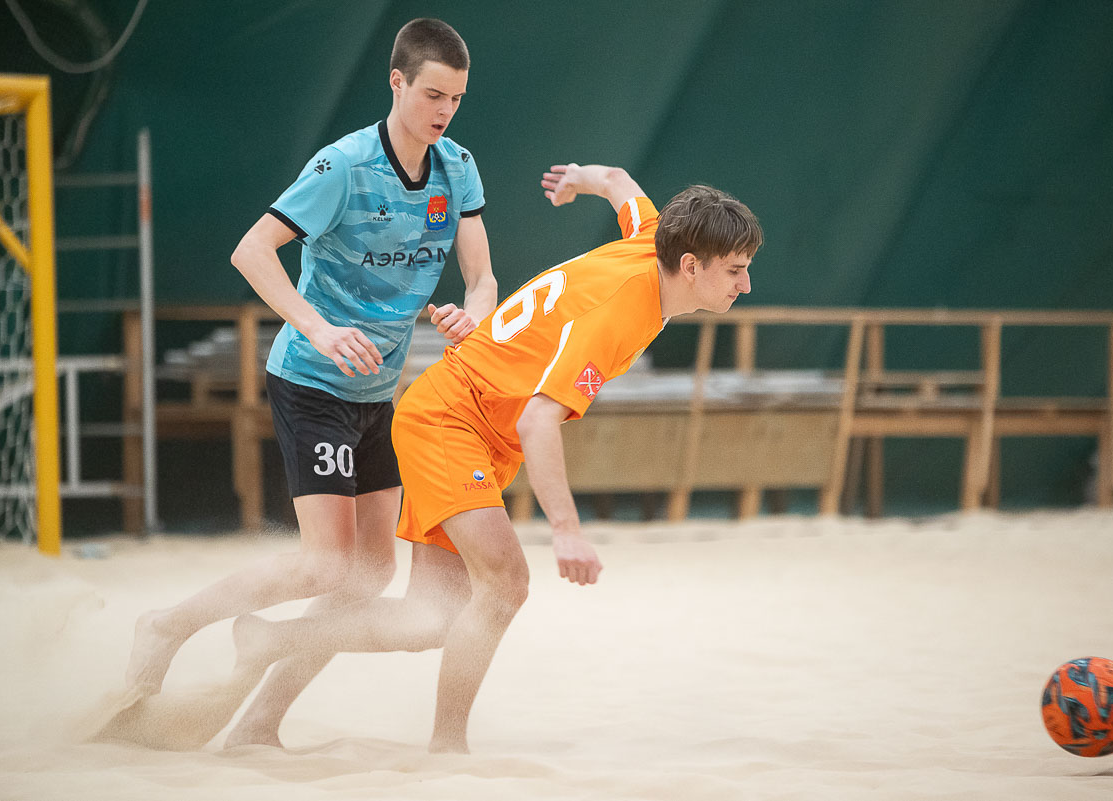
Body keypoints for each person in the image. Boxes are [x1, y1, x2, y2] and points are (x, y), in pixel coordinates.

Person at [228, 161, 763, 753]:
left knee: (429, 619)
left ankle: (261, 710)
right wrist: (567, 531)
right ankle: (441, 742)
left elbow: (616, 180)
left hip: (466, 422)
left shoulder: (651, 235)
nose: (745, 285)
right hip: (452, 421)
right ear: (691, 266)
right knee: (505, 583)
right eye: (735, 270)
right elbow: (538, 420)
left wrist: (576, 178)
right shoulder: (619, 311)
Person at [124, 18, 498, 749]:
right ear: (396, 82)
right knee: (326, 564)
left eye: (456, 97)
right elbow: (251, 251)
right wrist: (319, 328)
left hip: (378, 394)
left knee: (368, 578)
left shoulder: (457, 168)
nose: (445, 110)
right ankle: (166, 625)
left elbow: (482, 277)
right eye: (433, 95)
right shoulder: (345, 166)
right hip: (312, 383)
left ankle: (259, 724)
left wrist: (472, 312)